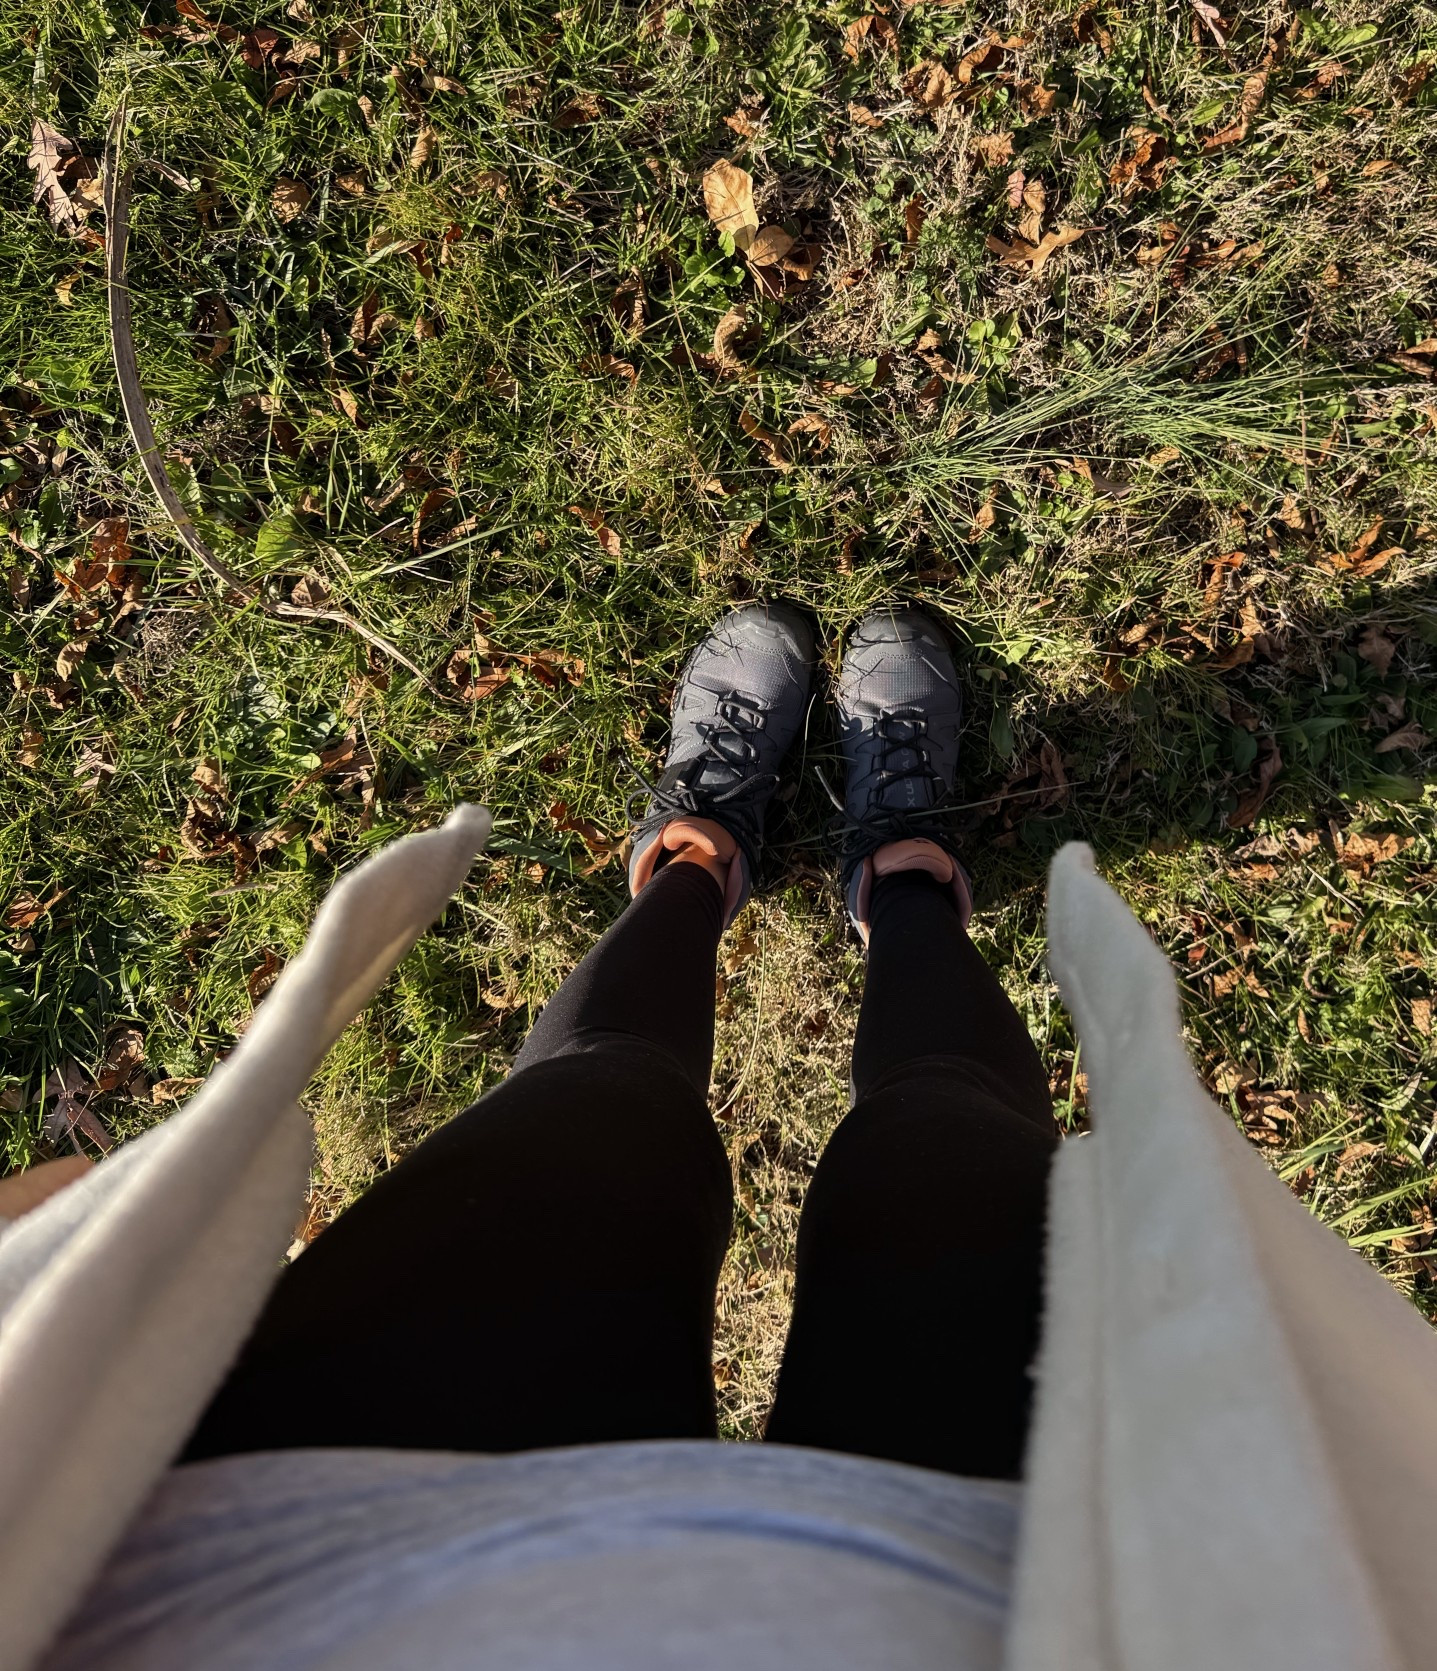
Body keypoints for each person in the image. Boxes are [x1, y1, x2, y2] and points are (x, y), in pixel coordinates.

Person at [39, 603, 1054, 1669]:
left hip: (286, 1553)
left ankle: (701, 854)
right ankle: (901, 869)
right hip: (992, 1599)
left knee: (589, 1128)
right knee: (946, 1152)